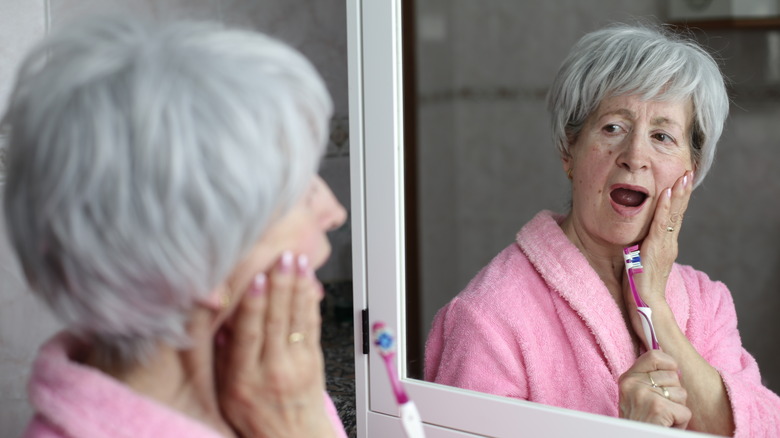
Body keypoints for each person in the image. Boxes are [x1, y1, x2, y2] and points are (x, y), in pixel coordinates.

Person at [425, 23, 780, 437]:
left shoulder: (707, 304)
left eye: (662, 136)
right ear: (567, 150)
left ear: (691, 170)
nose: (634, 156)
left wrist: (655, 308)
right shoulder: (489, 318)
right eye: (613, 127)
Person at [2, 15, 348, 438]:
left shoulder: (279, 384)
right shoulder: (290, 411)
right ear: (199, 259)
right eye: (302, 190)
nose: (334, 211)